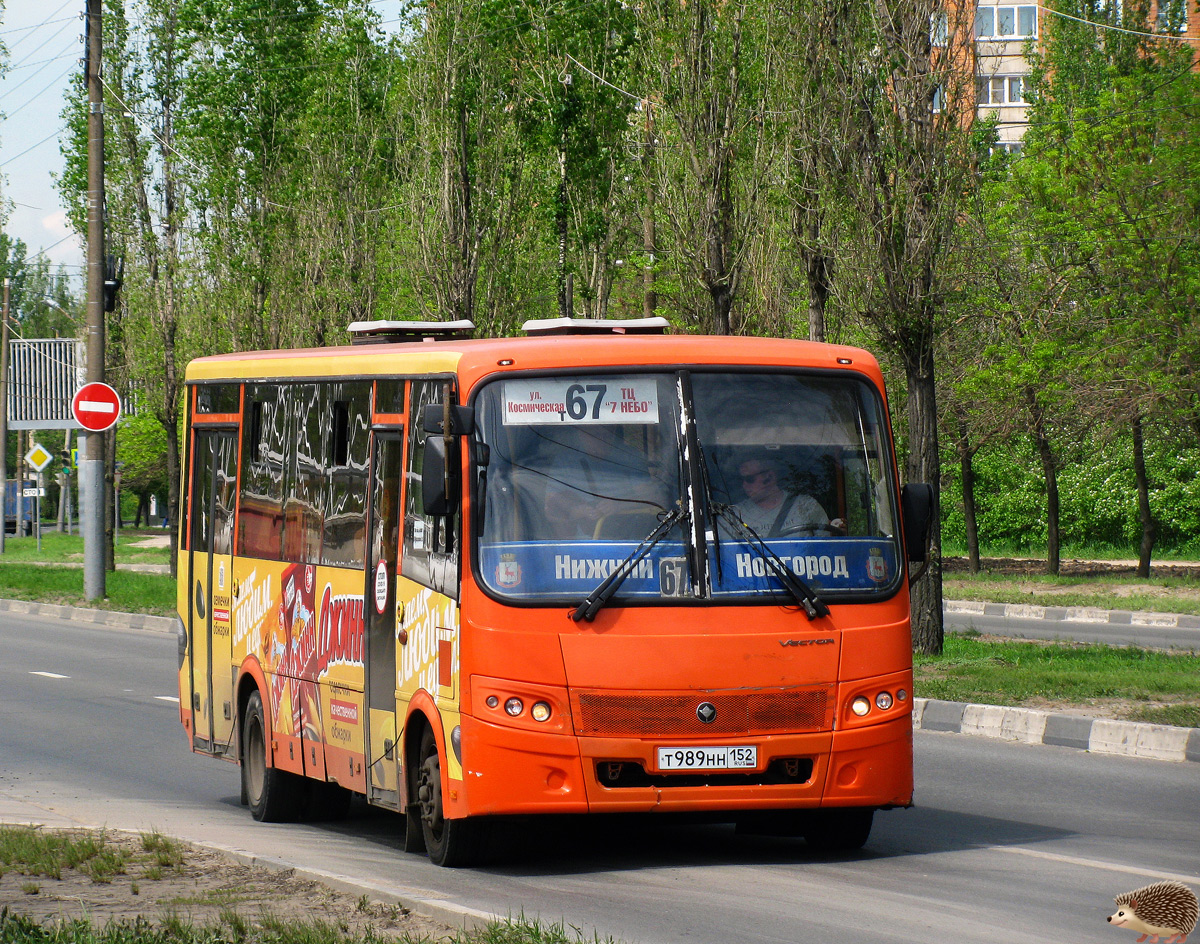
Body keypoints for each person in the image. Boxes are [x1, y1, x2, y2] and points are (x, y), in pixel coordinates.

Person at [731, 456, 839, 537]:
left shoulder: (806, 505)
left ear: (770, 477)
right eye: (741, 480)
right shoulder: (735, 514)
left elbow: (826, 546)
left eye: (750, 479)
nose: (744, 485)